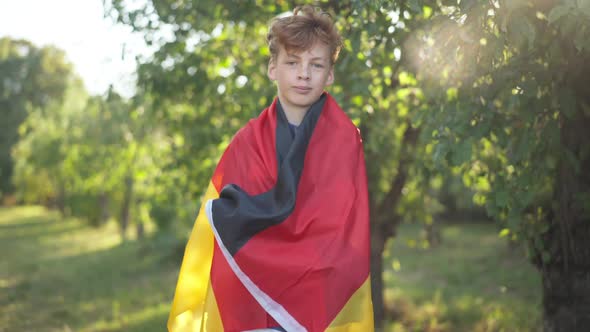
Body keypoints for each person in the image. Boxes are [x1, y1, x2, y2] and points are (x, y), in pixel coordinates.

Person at [168, 5, 373, 332]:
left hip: (319, 297)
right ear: (273, 68)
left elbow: (343, 228)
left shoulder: (346, 140)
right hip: (255, 307)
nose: (304, 74)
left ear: (329, 74)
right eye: (292, 63)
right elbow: (226, 218)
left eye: (316, 65)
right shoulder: (246, 143)